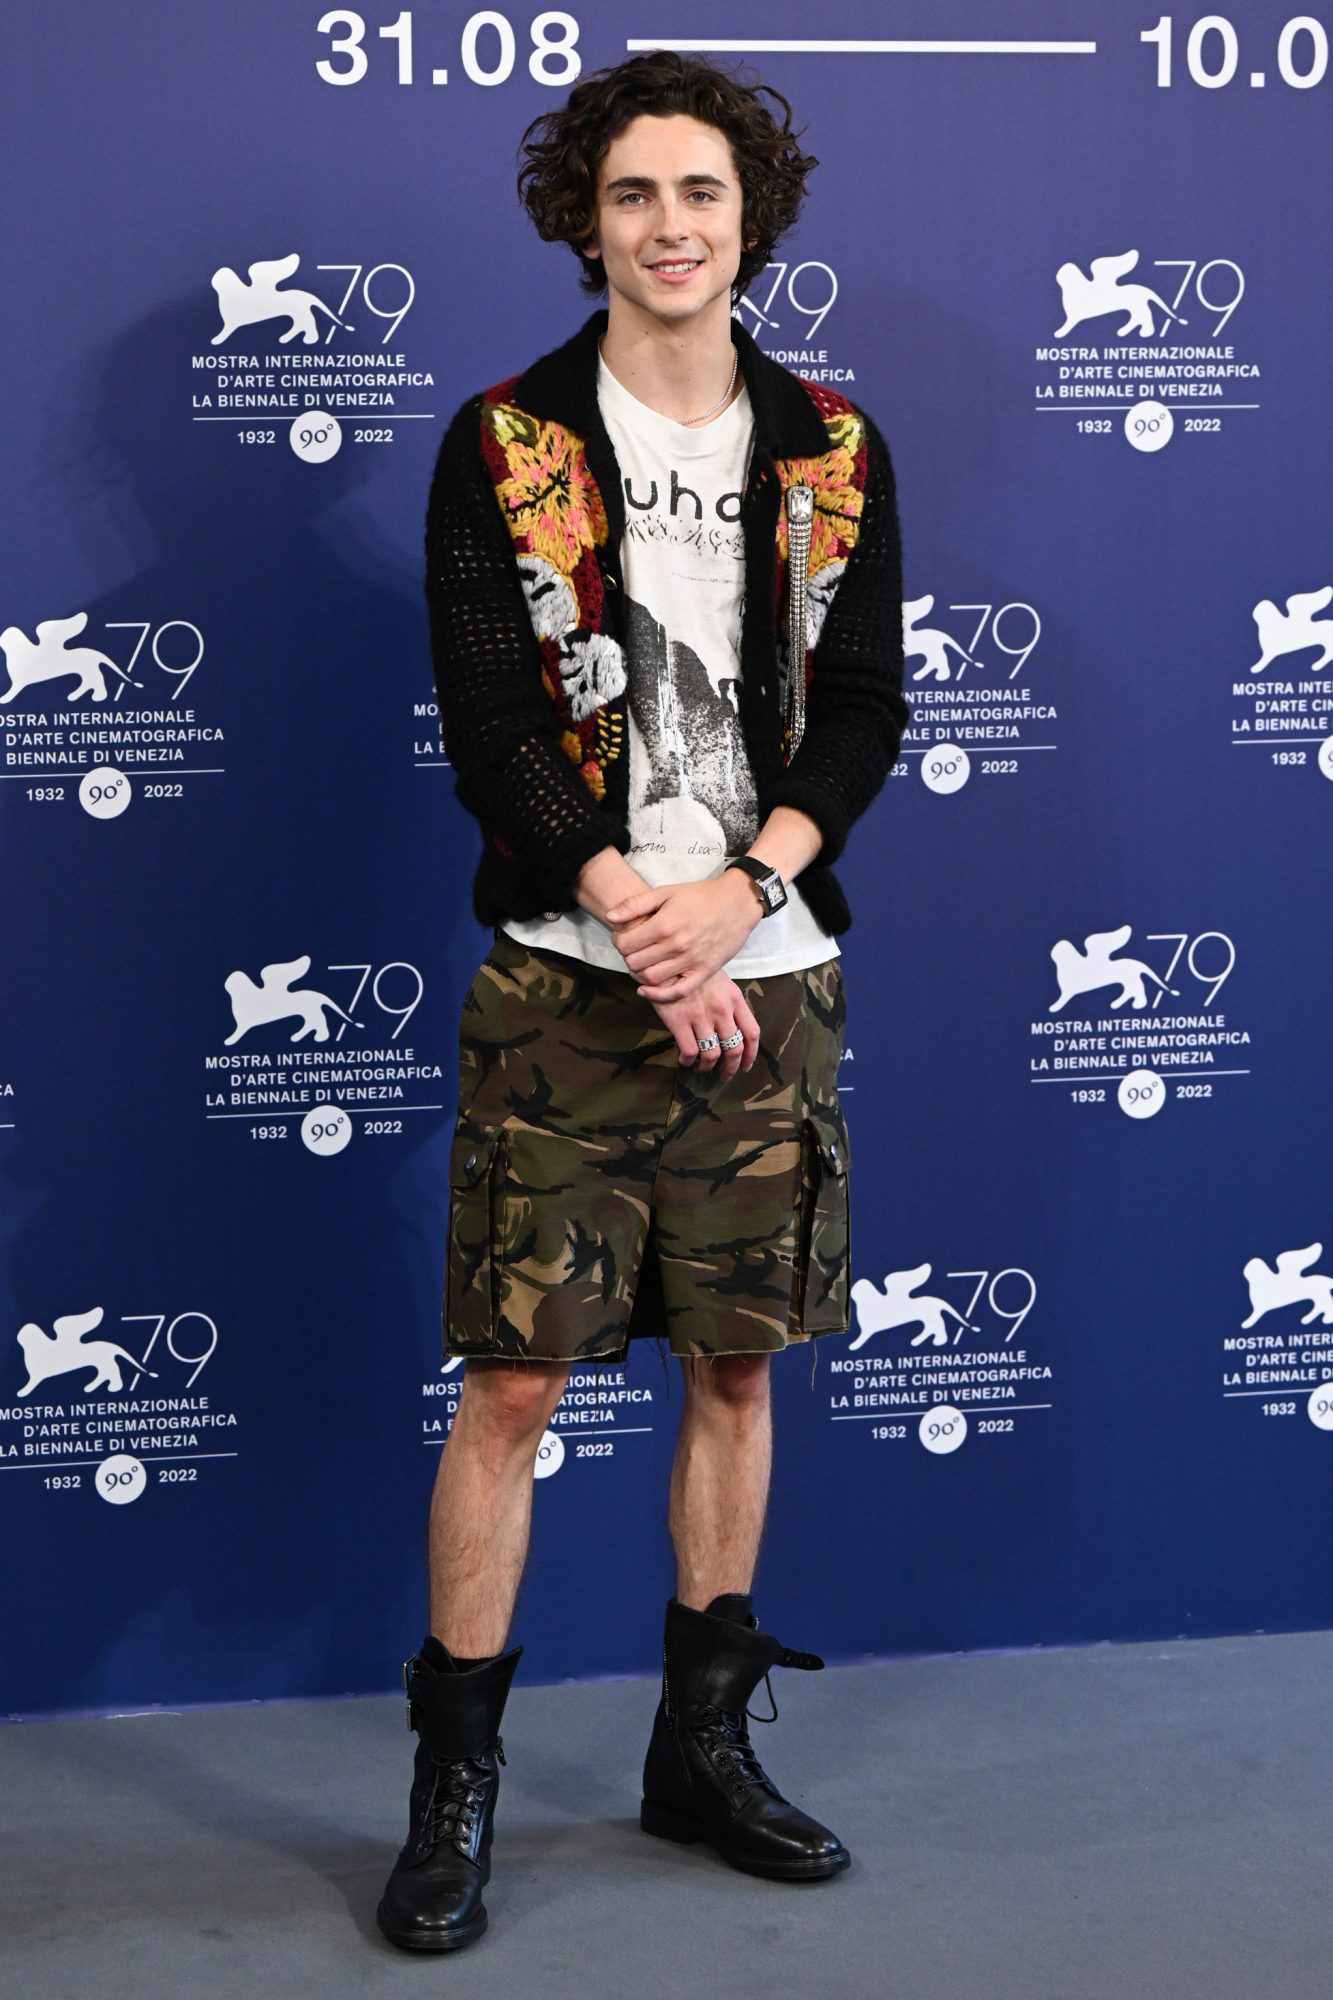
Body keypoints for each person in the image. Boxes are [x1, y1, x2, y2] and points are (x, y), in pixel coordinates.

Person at [377, 48, 909, 1954]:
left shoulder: (832, 448)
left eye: (699, 193)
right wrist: (626, 907)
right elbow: (490, 719)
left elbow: (861, 714)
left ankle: (698, 1753)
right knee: (513, 1381)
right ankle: (453, 1792)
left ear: (747, 215)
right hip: (563, 986)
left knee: (738, 1366)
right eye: (631, 197)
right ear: (581, 220)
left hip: (772, 977)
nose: (668, 228)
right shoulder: (505, 442)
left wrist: (742, 892)